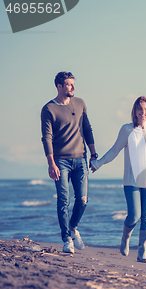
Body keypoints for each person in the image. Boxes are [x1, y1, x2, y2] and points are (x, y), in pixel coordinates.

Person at [91, 96, 146, 263]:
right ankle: (125, 238)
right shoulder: (127, 130)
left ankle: (142, 252)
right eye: (140, 109)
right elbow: (114, 151)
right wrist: (98, 164)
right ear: (135, 111)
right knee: (134, 215)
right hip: (131, 180)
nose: (143, 112)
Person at [41, 71, 98, 253]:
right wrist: (51, 163)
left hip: (81, 159)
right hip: (61, 161)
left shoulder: (80, 103)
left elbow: (87, 128)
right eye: (68, 84)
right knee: (63, 201)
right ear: (59, 86)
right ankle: (67, 240)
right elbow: (47, 137)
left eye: (73, 84)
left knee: (82, 200)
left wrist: (93, 153)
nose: (73, 87)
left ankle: (73, 228)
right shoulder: (49, 109)